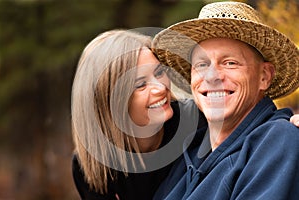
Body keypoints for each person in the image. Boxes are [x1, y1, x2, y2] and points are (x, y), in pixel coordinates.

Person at [151, 1, 299, 199]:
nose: (212, 76)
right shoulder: (189, 156)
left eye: (230, 63)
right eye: (202, 64)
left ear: (264, 76)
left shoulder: (279, 139)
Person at [71, 29, 205, 200]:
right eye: (141, 84)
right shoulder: (92, 164)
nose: (161, 87)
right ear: (110, 102)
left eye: (159, 72)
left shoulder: (197, 122)